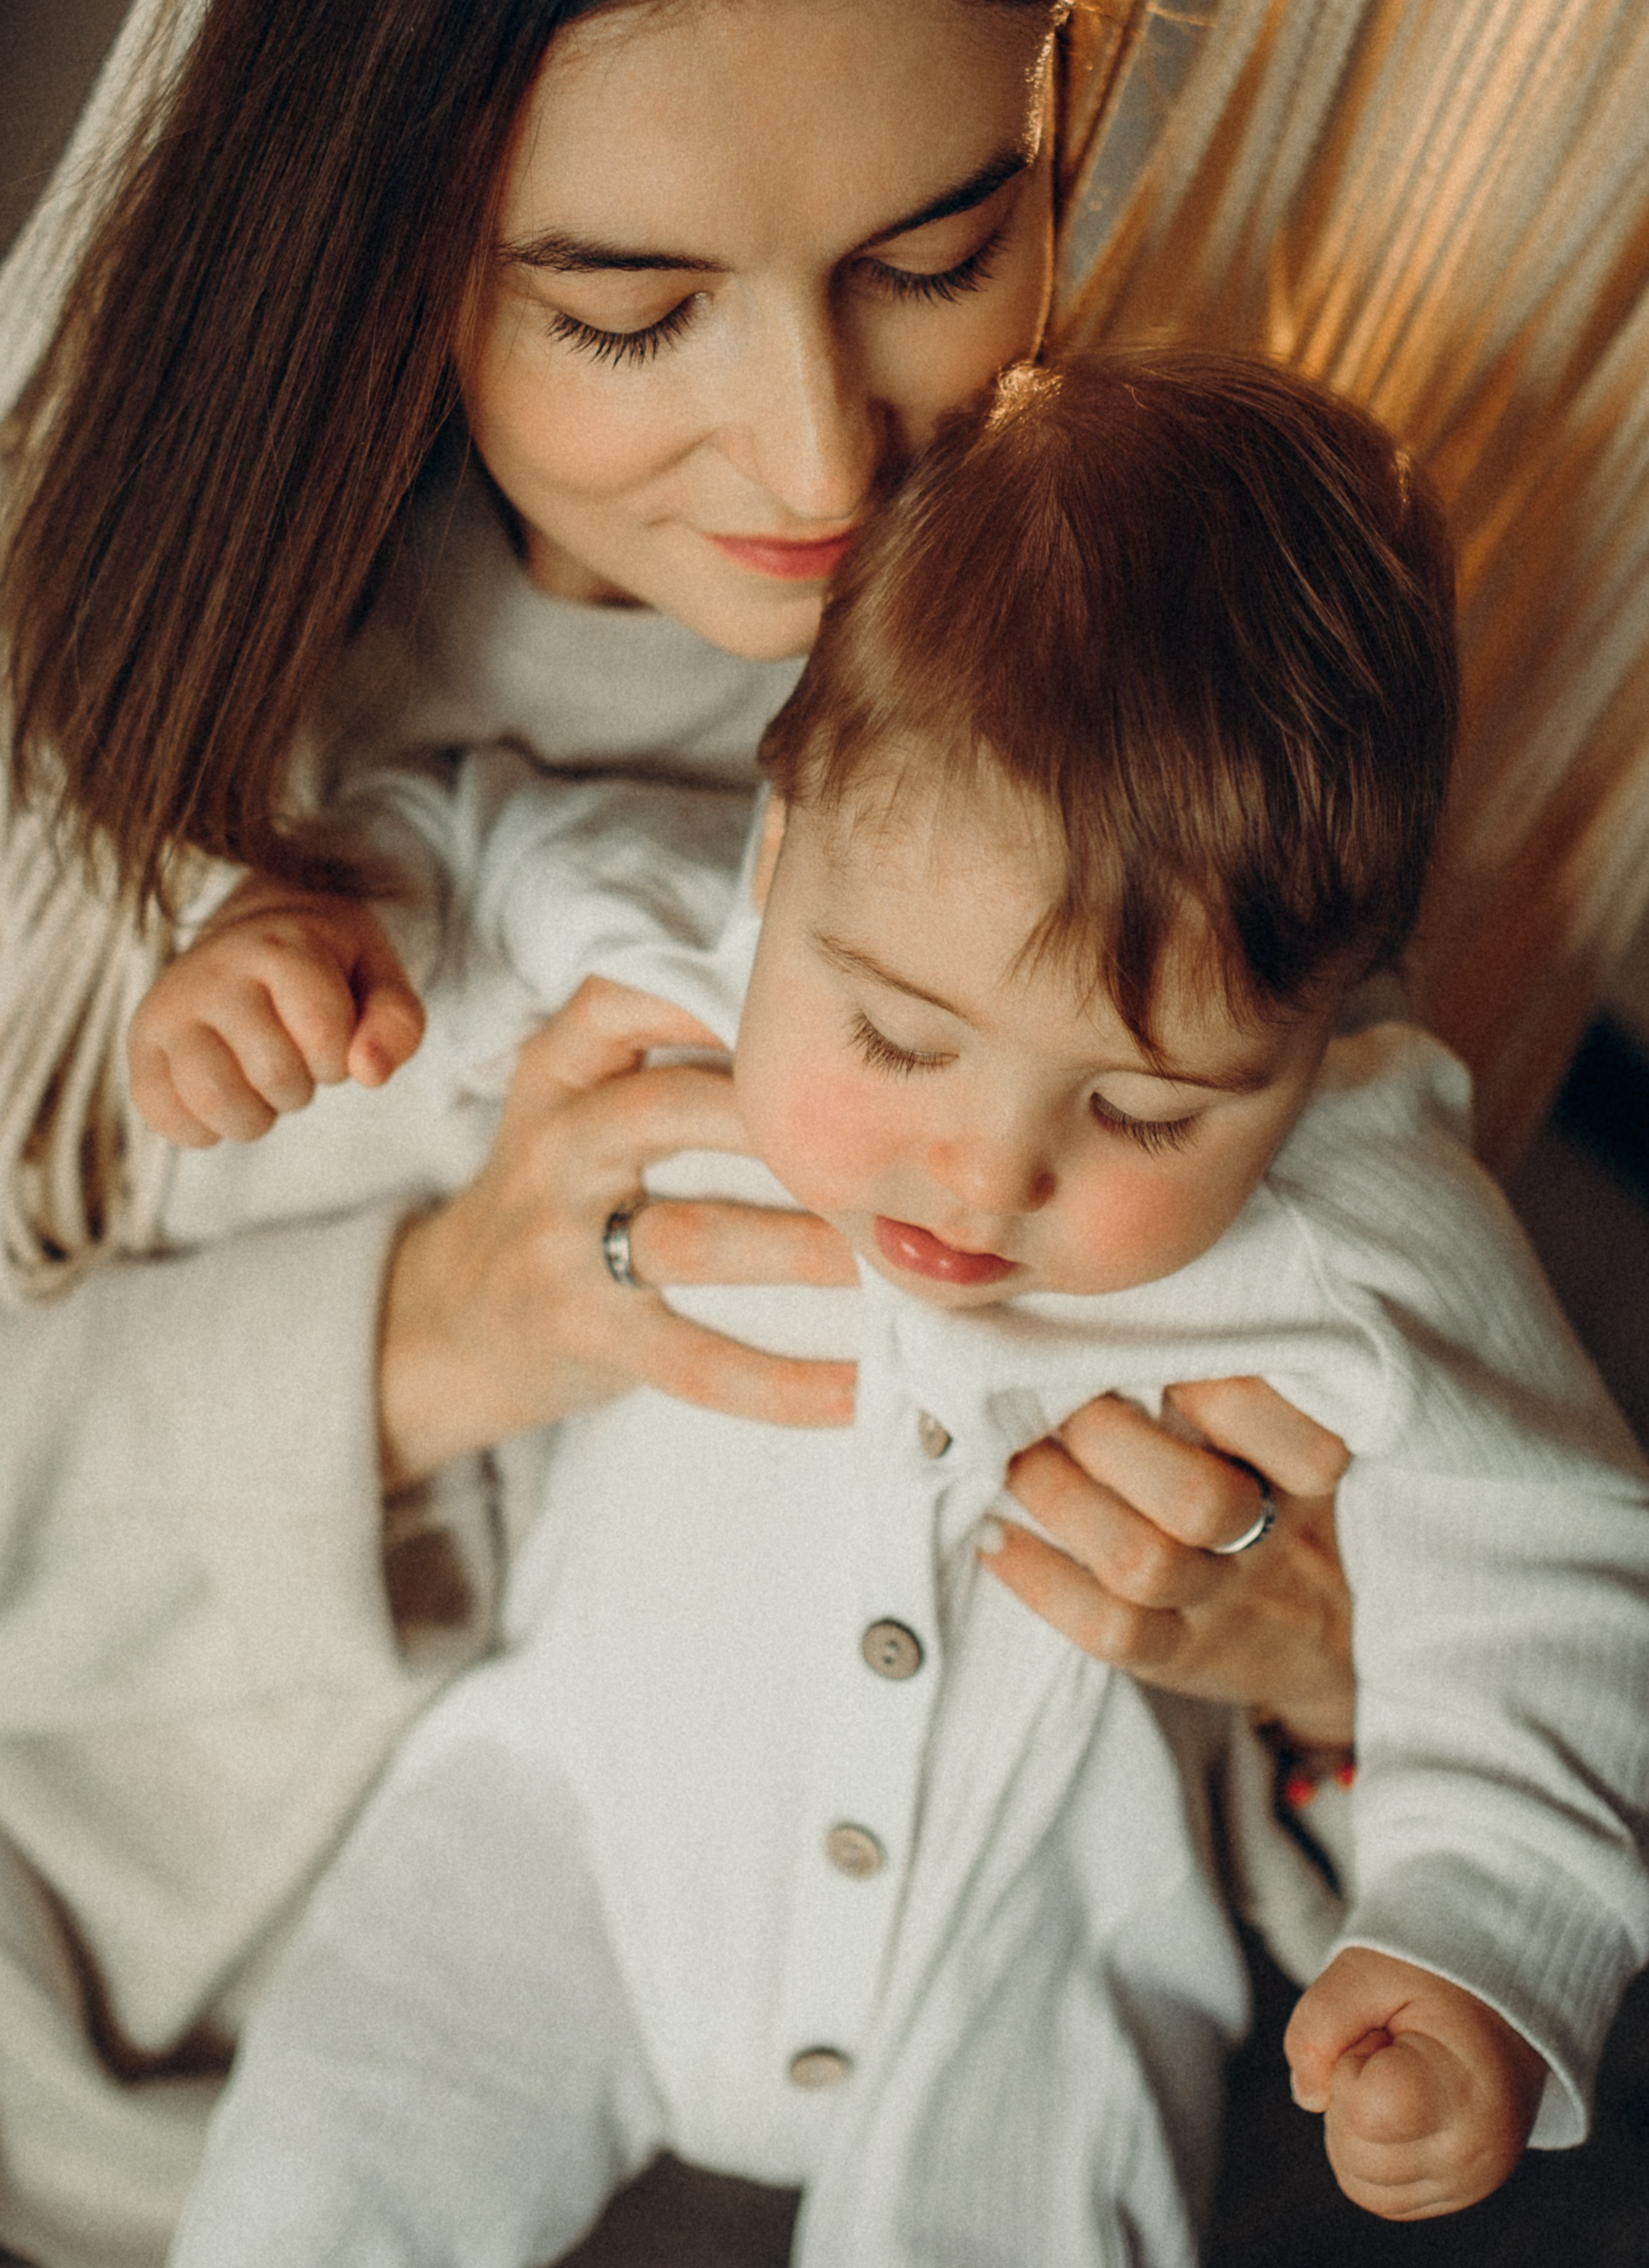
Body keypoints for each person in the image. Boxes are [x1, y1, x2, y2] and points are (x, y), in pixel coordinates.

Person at [144, 353, 1649, 2265]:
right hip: (580, 1821)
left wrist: (1478, 1934)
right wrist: (302, 933)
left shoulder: (1364, 1208)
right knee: (325, 2179)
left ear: (1325, 1024)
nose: (979, 1173)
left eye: (1143, 1107)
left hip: (1038, 1953)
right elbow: (470, 842)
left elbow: (1549, 1563)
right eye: (894, 1036)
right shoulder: (695, 938)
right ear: (780, 856)